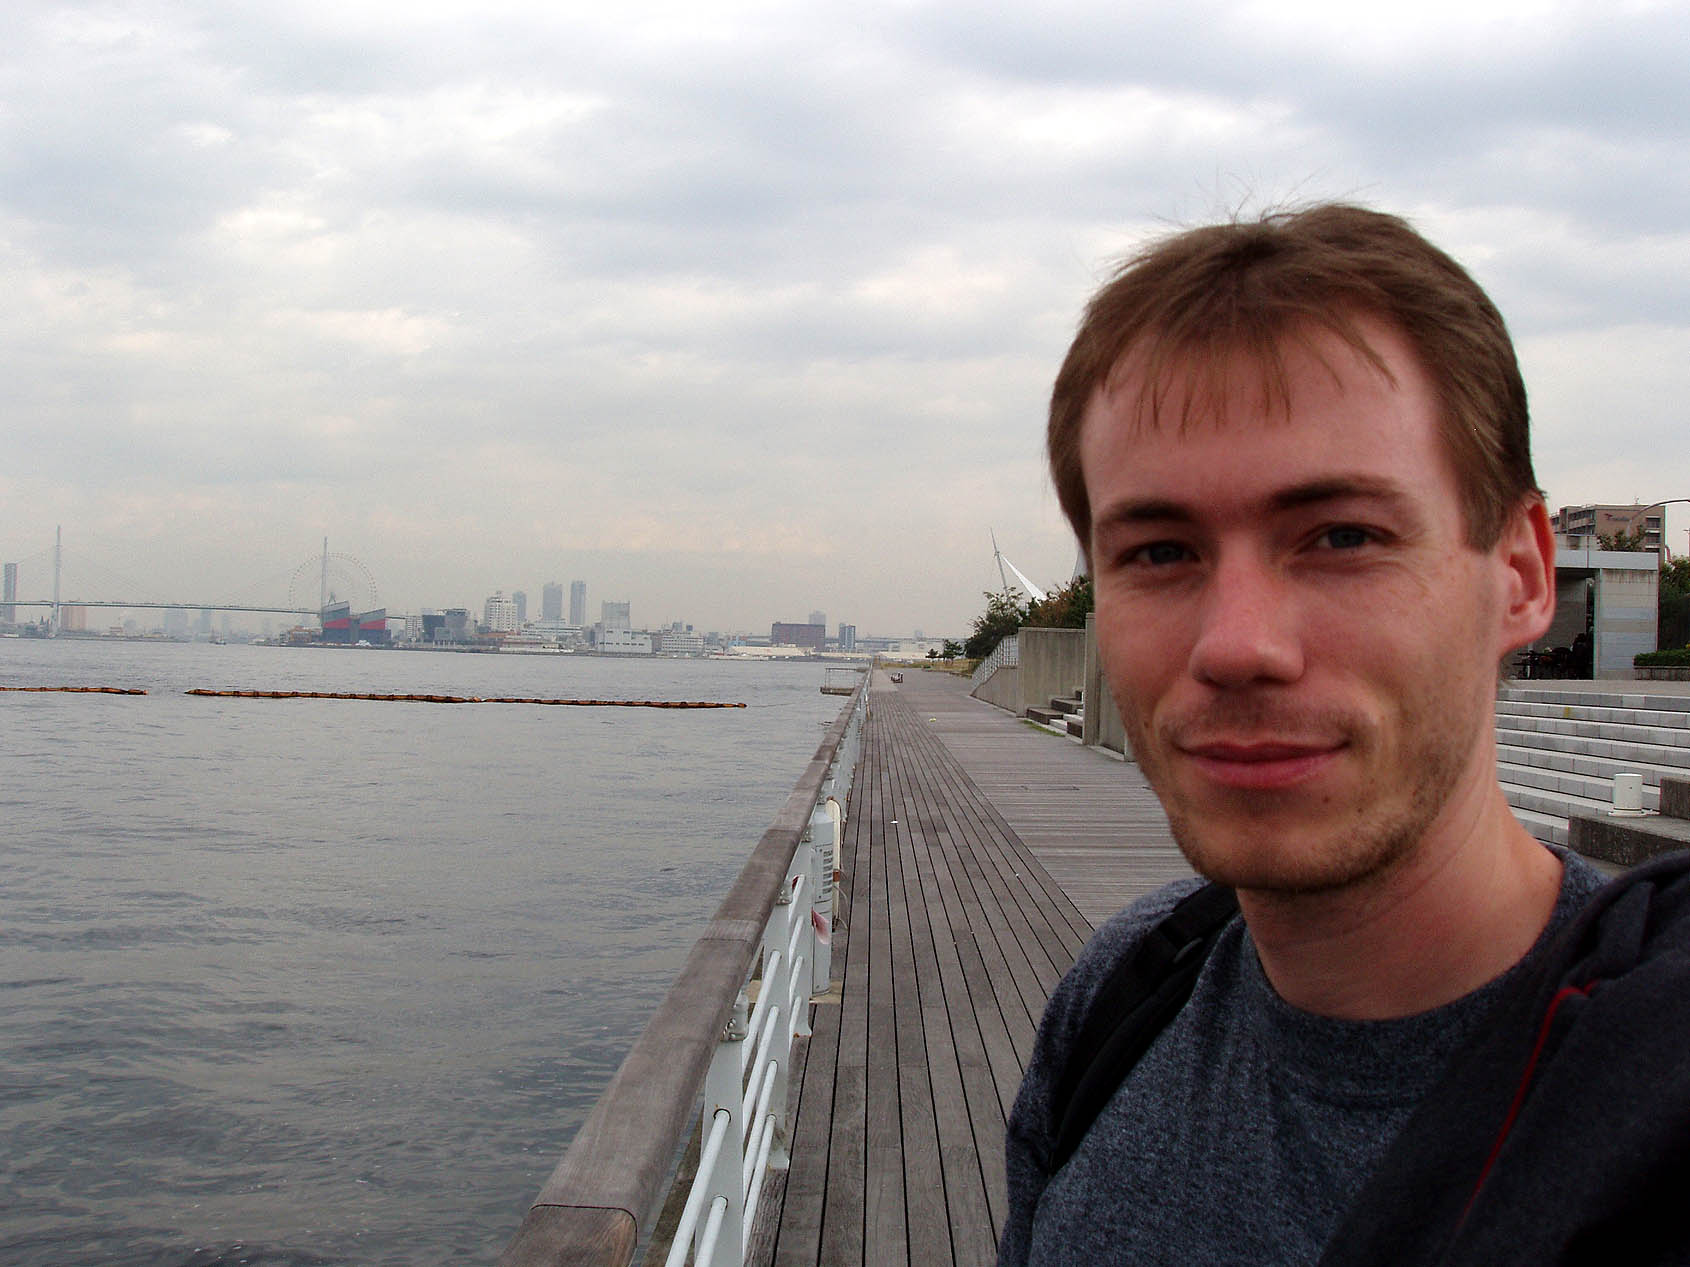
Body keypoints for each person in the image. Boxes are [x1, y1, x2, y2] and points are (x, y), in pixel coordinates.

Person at [1000, 205, 1690, 1266]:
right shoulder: (1122, 1000)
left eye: (1342, 536)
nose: (1238, 645)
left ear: (1520, 574)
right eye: (1160, 552)